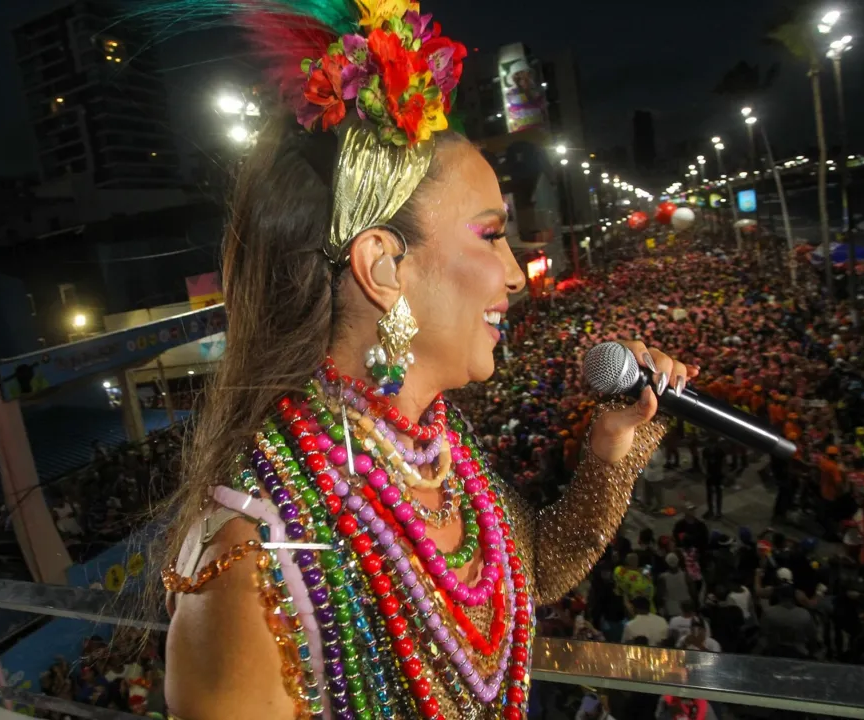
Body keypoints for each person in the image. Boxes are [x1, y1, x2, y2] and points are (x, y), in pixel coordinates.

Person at [151, 3, 695, 718]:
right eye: (492, 235)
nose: (516, 273)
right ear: (383, 265)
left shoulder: (436, 448)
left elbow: (529, 575)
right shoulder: (252, 555)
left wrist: (612, 447)